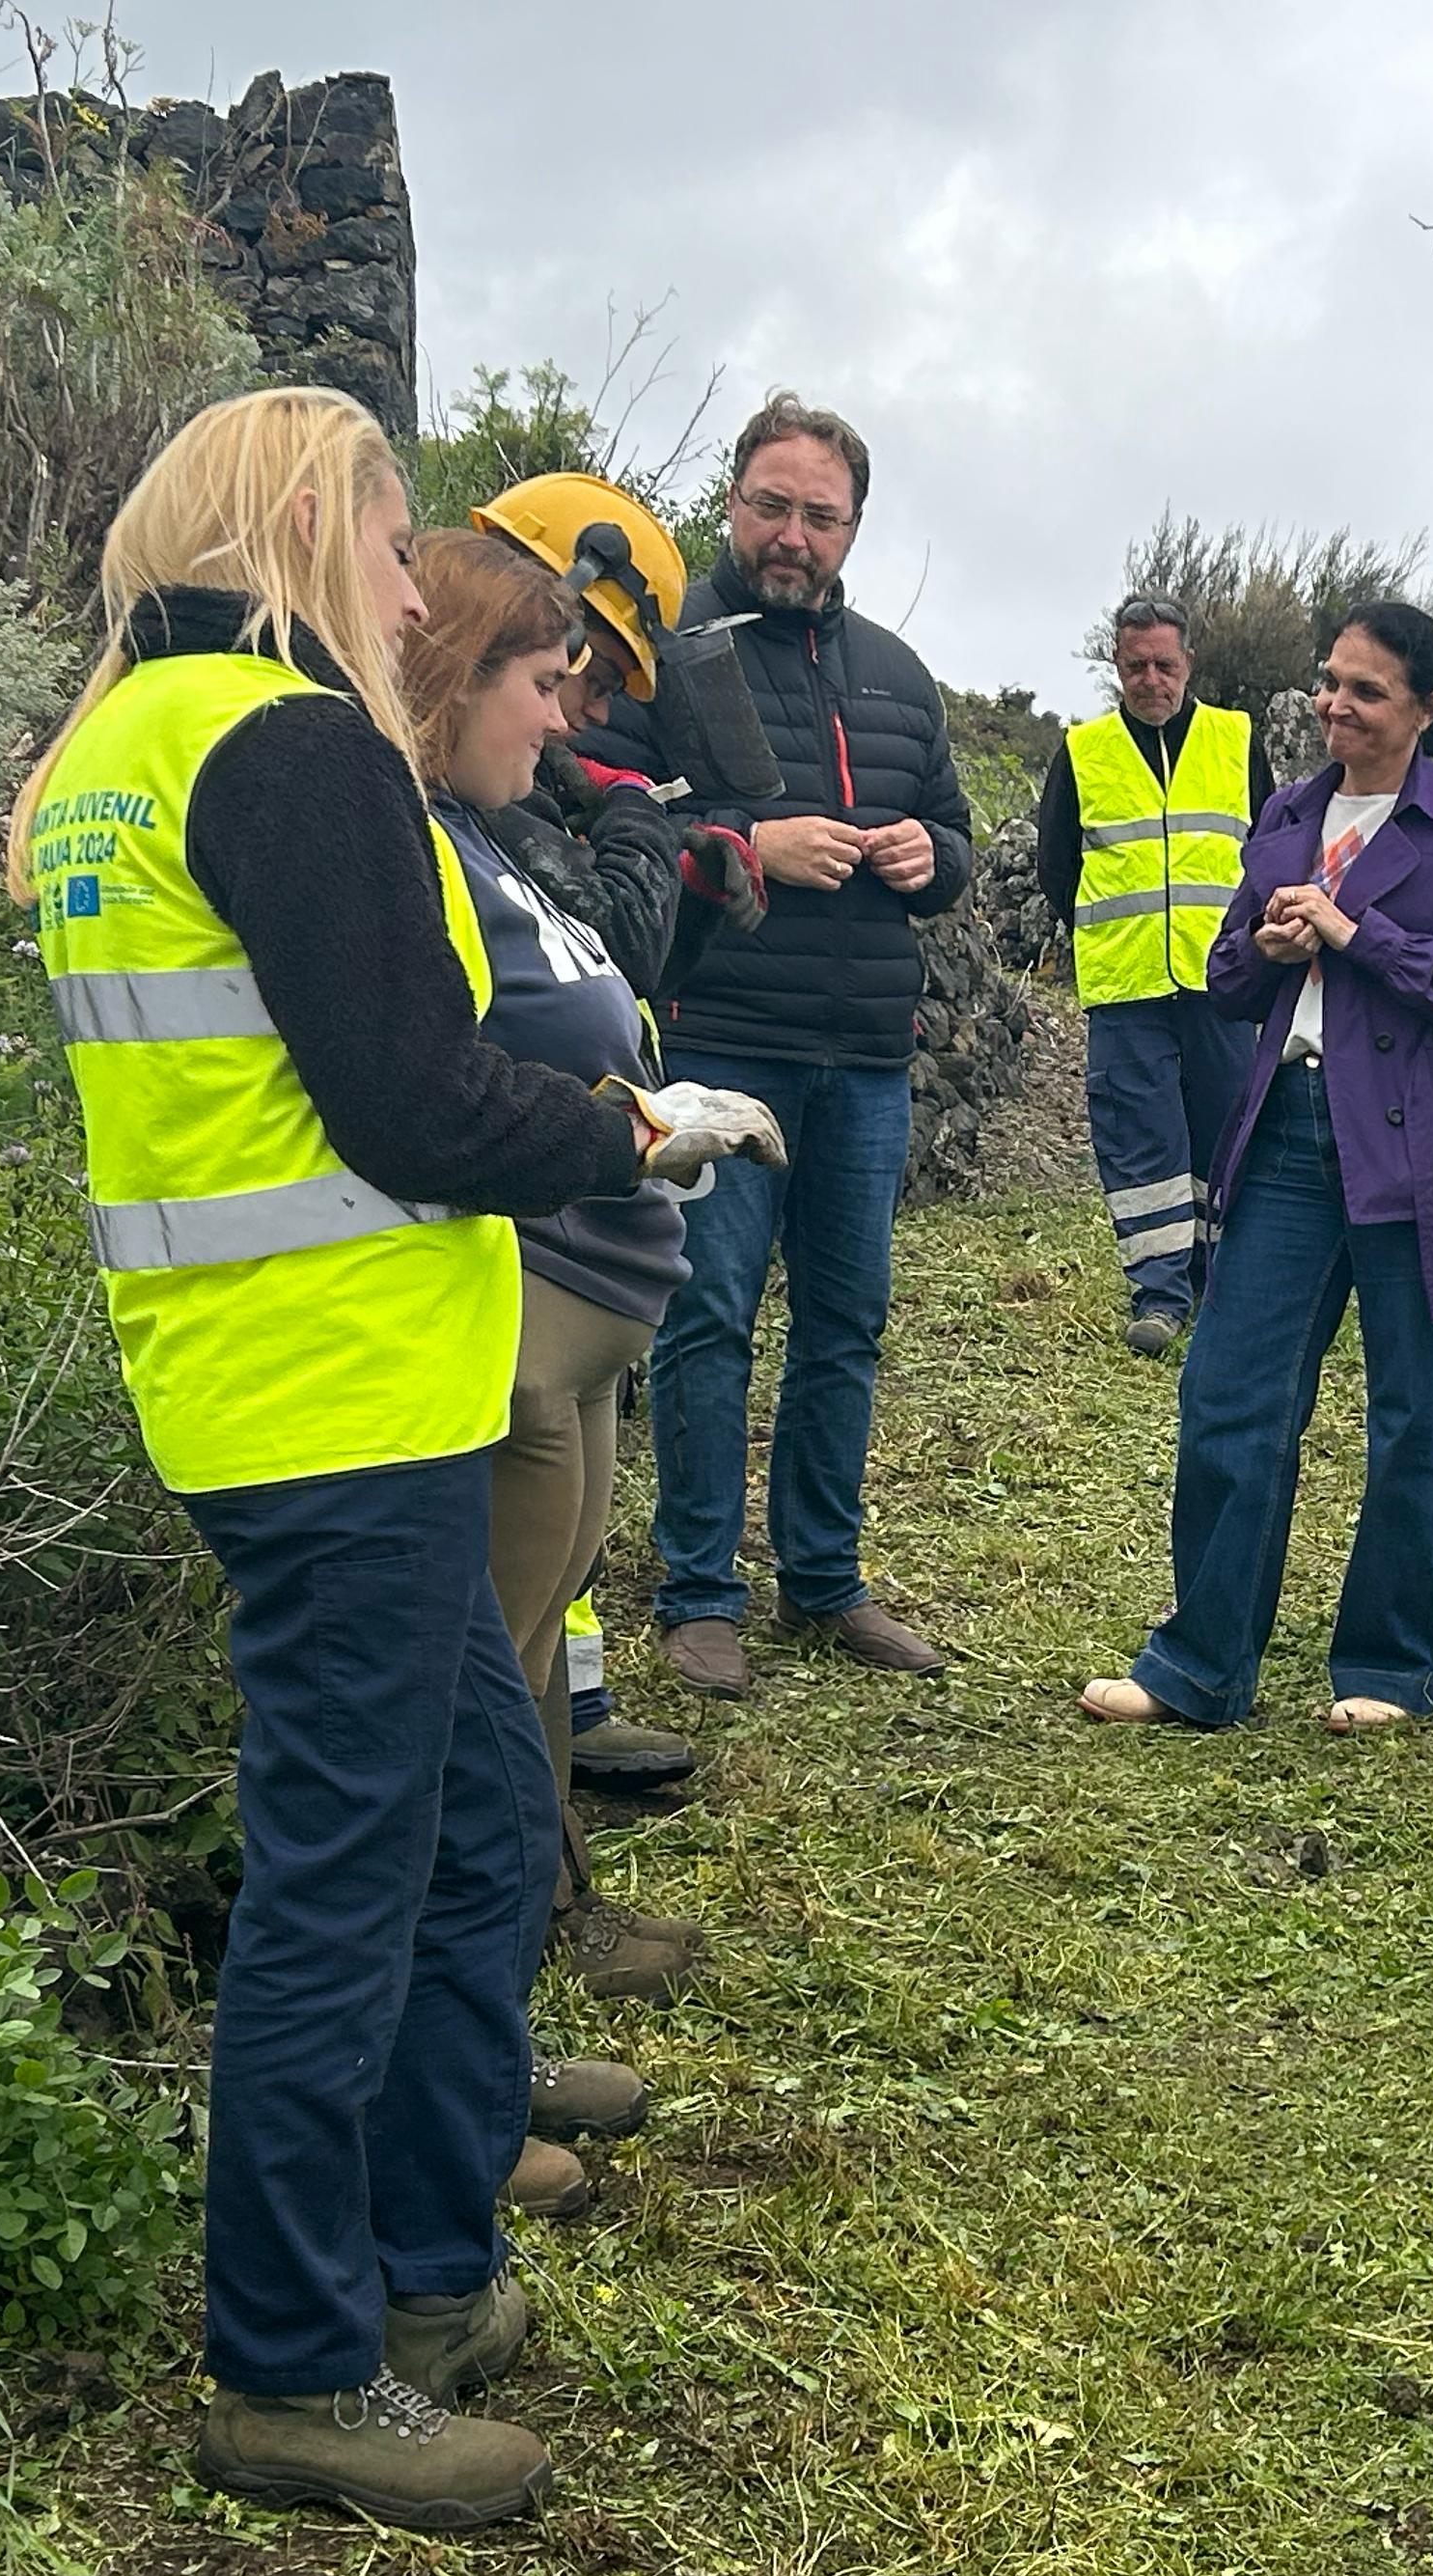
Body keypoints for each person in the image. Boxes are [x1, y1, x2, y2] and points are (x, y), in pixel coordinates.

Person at [13, 387, 759, 2530]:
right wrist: (628, 1125)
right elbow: (413, 1104)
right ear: (292, 530)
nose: (413, 582)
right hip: (335, 1398)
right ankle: (294, 2364)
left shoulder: (118, 758)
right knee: (351, 1879)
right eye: (381, 532)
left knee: (468, 1816)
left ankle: (430, 2278)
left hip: (279, 1386)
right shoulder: (287, 740)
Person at [404, 526, 779, 2174]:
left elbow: (596, 985)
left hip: (584, 1308)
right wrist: (633, 1126)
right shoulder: (419, 843)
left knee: (538, 1657)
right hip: (523, 1309)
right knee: (485, 1692)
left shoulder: (498, 830)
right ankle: (463, 2082)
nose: (572, 721)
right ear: (455, 673)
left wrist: (641, 1109)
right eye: (551, 684)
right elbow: (456, 1074)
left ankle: (513, 2010)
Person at [1075, 604, 1433, 1731]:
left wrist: (1351, 933)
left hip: (1422, 1151)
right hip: (1285, 1130)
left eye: (1367, 691)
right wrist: (1265, 948)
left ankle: (1392, 1668)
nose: (1336, 705)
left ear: (1427, 709)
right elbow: (1230, 979)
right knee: (1228, 1393)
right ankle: (1198, 1666)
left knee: (1416, 1413)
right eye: (1330, 682)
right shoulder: (1287, 811)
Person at [587, 394, 974, 1693]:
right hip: (719, 1040)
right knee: (706, 1319)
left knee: (847, 1324)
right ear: (733, 501)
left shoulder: (901, 677)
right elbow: (603, 824)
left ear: (853, 529)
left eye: (820, 515)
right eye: (772, 505)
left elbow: (956, 839)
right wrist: (750, 851)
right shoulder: (665, 656)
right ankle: (700, 1591)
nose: (792, 534)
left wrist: (932, 861)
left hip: (864, 1054)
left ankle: (824, 1581)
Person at [463, 472, 758, 1798]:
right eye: (578, 682)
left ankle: (558, 1778)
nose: (587, 713)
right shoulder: (473, 801)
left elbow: (613, 980)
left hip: (592, 1256)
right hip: (537, 1255)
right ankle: (521, 1867)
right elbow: (602, 942)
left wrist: (677, 877)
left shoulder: (516, 791)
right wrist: (637, 816)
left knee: (541, 1611)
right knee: (496, 1633)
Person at [1036, 593, 1271, 1352]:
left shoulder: (1237, 741)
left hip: (1223, 981)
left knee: (1228, 1131)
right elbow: (1056, 867)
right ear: (1117, 665)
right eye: (1136, 666)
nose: (1151, 680)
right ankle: (1159, 1295)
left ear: (1189, 664)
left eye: (1164, 665)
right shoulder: (1083, 751)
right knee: (1141, 1144)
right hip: (1125, 983)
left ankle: (1220, 1278)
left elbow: (1270, 850)